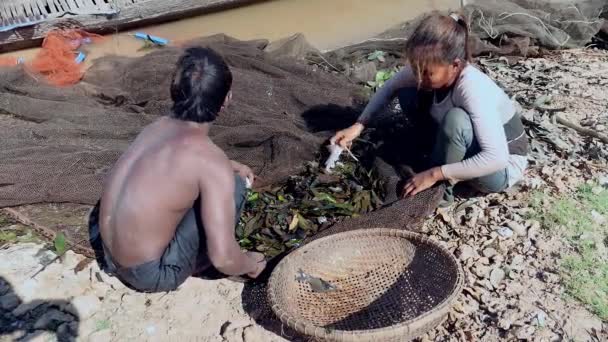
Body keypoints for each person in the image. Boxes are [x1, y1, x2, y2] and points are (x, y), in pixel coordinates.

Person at [88, 47, 267, 293]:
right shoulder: (209, 161)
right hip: (151, 275)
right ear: (226, 100)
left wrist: (228, 165)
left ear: (174, 91)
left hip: (108, 251)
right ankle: (197, 266)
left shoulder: (154, 129)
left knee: (219, 179)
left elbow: (177, 168)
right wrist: (250, 263)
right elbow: (223, 259)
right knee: (235, 186)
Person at [333, 12, 528, 206]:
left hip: (499, 170)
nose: (419, 77)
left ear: (455, 65)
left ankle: (442, 192)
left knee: (456, 120)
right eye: (416, 69)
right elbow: (389, 88)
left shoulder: (472, 88)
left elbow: (496, 158)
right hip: (471, 148)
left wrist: (434, 174)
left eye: (427, 73)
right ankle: (436, 153)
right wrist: (358, 126)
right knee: (407, 93)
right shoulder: (428, 68)